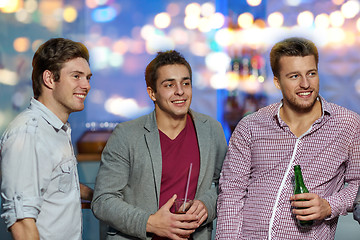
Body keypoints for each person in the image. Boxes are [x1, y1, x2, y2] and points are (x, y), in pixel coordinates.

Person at [216, 37, 360, 239]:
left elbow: (358, 185)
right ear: (277, 81)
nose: (305, 84)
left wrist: (329, 206)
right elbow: (231, 194)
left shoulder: (348, 124)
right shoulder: (250, 126)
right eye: (294, 76)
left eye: (311, 73)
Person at [91, 50, 227, 240]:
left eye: (185, 83)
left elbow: (227, 185)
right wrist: (151, 223)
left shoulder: (211, 130)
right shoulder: (127, 134)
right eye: (169, 84)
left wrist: (206, 205)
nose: (180, 91)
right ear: (152, 93)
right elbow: (103, 201)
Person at [0, 38, 93, 239]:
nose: (86, 85)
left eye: (88, 77)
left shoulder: (56, 130)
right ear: (49, 79)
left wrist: (103, 199)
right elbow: (22, 223)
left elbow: (56, 186)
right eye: (76, 76)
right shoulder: (29, 133)